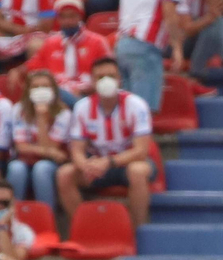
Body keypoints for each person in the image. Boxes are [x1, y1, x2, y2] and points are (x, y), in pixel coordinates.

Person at [58, 56, 156, 226]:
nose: (106, 81)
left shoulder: (136, 104)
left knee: (137, 171)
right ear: (93, 81)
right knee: (64, 174)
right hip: (97, 165)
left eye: (111, 76)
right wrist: (86, 166)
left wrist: (109, 162)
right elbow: (77, 150)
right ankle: (85, 230)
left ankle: (137, 231)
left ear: (119, 79)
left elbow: (141, 151)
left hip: (128, 163)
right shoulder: (82, 107)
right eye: (100, 77)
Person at [24, 0, 112, 100]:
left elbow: (108, 75)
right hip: (55, 98)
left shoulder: (98, 42)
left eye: (72, 16)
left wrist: (83, 90)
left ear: (80, 16)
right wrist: (17, 71)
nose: (67, 21)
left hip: (88, 96)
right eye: (63, 17)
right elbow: (33, 70)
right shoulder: (50, 43)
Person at [5, 69, 70, 207]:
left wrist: (41, 118)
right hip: (24, 160)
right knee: (16, 168)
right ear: (28, 90)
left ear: (54, 90)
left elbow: (51, 150)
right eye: (35, 87)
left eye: (45, 86)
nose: (41, 90)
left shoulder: (63, 113)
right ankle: (12, 215)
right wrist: (51, 152)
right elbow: (21, 147)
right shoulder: (19, 109)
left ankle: (46, 218)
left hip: (51, 164)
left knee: (42, 168)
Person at [0, 0, 57, 69]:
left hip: (36, 34)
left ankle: (36, 80)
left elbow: (45, 26)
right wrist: (18, 30)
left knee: (36, 47)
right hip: (8, 32)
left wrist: (24, 32)